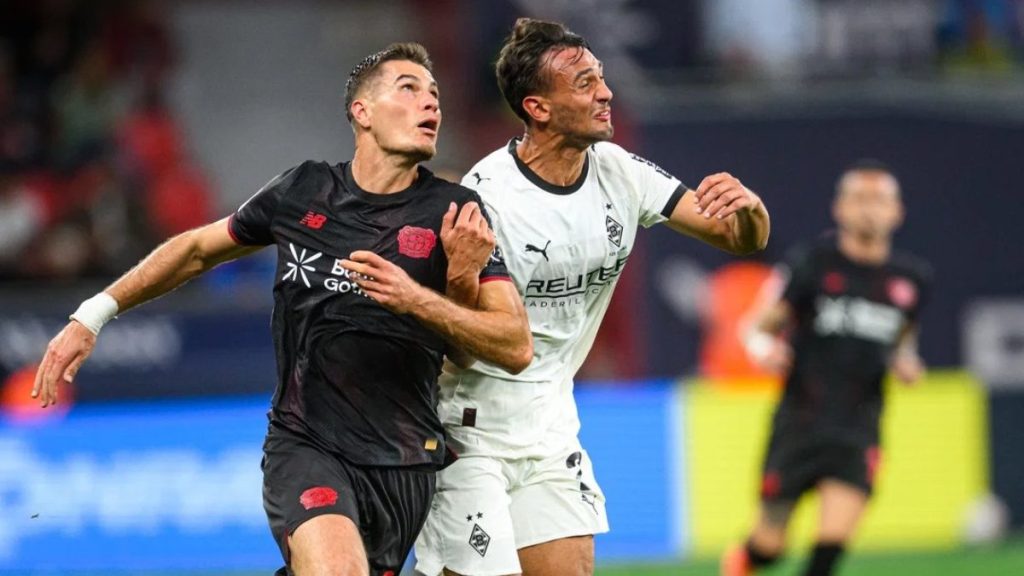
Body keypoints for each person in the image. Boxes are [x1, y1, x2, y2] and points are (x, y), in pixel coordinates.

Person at [31, 43, 533, 576]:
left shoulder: (455, 213)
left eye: (434, 93)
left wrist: (435, 289)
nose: (431, 103)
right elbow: (197, 250)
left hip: (403, 460)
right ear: (362, 112)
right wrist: (94, 313)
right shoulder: (304, 190)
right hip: (306, 444)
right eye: (408, 89)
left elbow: (512, 346)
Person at [414, 18, 771, 576]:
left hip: (551, 425)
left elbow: (737, 237)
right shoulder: (488, 197)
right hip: (469, 432)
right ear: (538, 107)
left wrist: (750, 210)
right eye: (584, 83)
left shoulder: (618, 170)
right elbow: (457, 343)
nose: (605, 92)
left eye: (600, 77)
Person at [721, 160, 932, 576]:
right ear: (840, 208)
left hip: (858, 425)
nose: (869, 209)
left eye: (879, 200)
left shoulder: (911, 280)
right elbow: (757, 326)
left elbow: (902, 339)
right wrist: (764, 348)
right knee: (769, 547)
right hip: (801, 420)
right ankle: (744, 559)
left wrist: (906, 361)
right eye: (859, 199)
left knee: (828, 551)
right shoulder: (813, 264)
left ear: (897, 212)